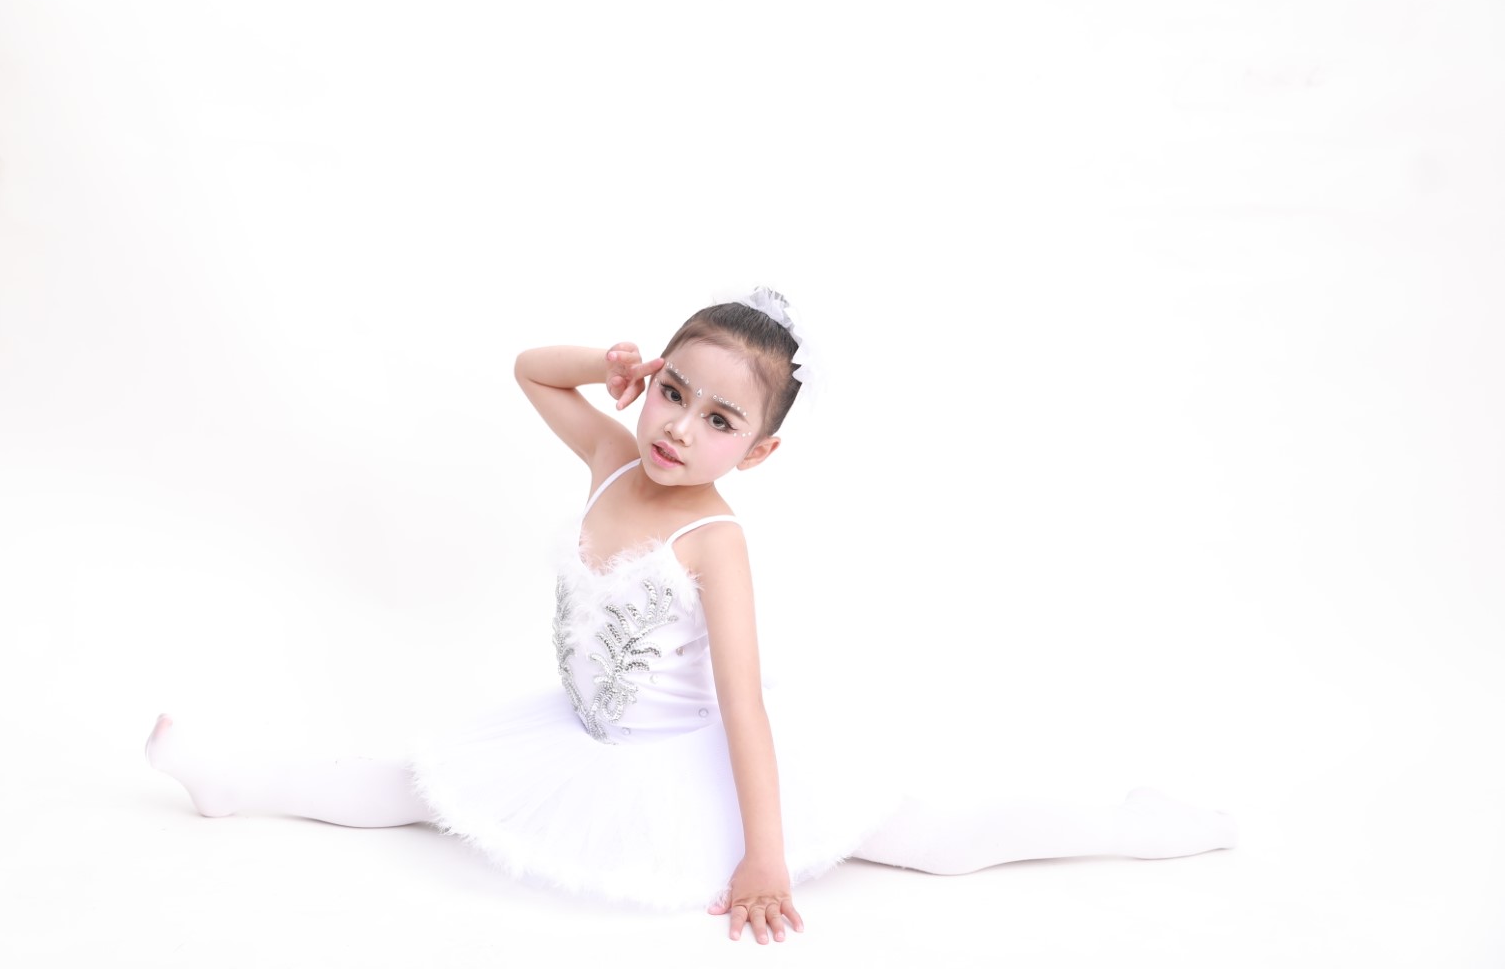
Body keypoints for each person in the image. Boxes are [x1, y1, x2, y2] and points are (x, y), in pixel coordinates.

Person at [145, 287, 1237, 944]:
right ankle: (235, 782)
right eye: (672, 392)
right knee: (411, 783)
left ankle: (1132, 824)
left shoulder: (714, 540)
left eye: (719, 420)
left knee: (932, 845)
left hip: (697, 759)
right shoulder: (612, 459)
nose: (679, 429)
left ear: (756, 452)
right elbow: (532, 374)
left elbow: (744, 708)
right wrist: (607, 365)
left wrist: (764, 856)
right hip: (582, 738)